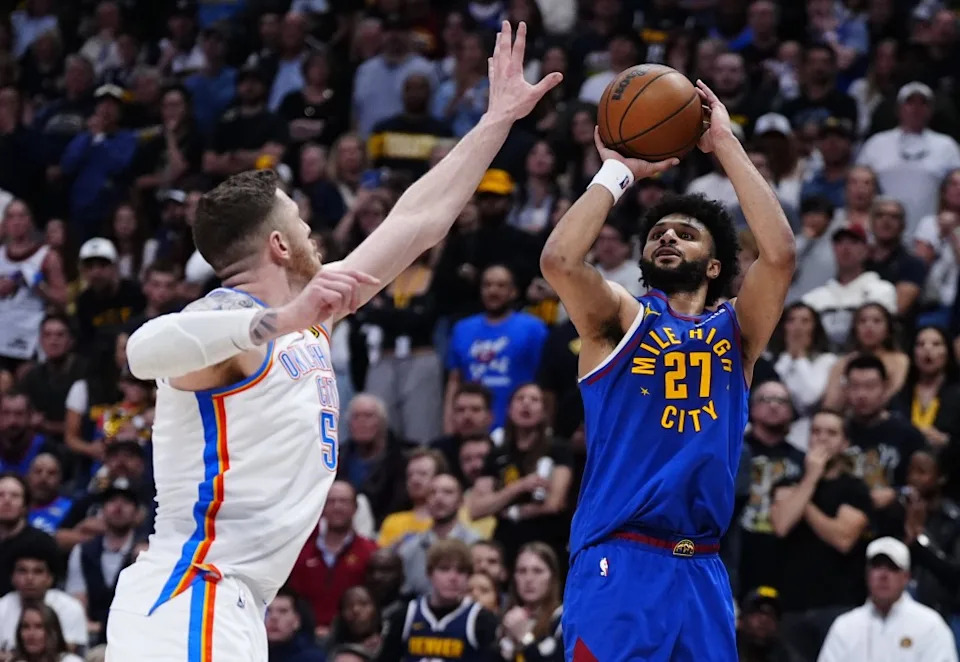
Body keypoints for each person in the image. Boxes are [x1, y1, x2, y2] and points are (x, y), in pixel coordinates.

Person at [105, 21, 560, 661]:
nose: (314, 232)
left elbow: (417, 220)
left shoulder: (309, 318)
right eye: (301, 221)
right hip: (192, 592)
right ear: (278, 244)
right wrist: (281, 320)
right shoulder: (228, 323)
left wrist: (496, 121)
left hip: (230, 603)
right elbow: (142, 351)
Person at [539, 79, 796, 661]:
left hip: (702, 567)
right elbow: (559, 260)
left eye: (685, 233)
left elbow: (779, 254)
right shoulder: (619, 319)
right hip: (620, 558)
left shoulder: (737, 331)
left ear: (715, 266)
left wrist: (725, 144)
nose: (668, 237)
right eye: (657, 234)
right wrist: (618, 172)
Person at [817, 537, 958, 662]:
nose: (883, 575)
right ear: (867, 574)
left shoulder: (930, 626)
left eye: (892, 567)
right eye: (877, 566)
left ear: (906, 577)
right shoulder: (845, 627)